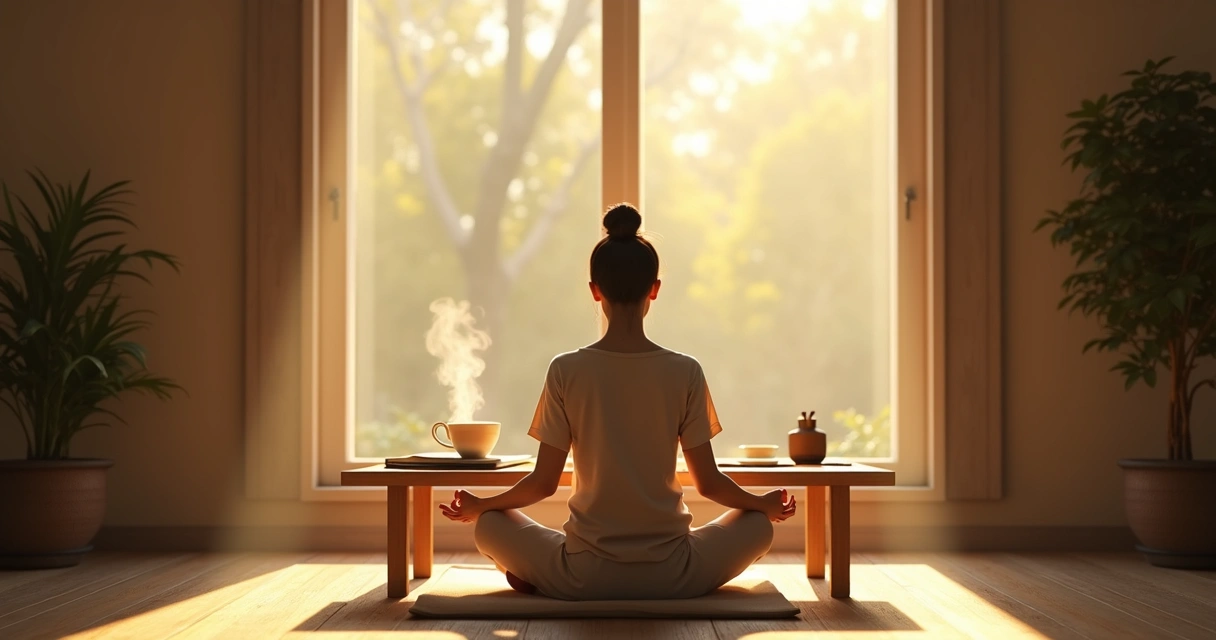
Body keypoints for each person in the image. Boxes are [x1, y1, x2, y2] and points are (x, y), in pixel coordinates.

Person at [438, 203, 797, 600]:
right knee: (757, 525)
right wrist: (762, 504)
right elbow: (709, 483)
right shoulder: (685, 371)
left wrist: (481, 504)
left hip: (580, 576)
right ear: (655, 288)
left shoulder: (565, 370)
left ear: (595, 290)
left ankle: (536, 573)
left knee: (489, 524)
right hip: (675, 575)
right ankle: (540, 571)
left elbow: (541, 483)